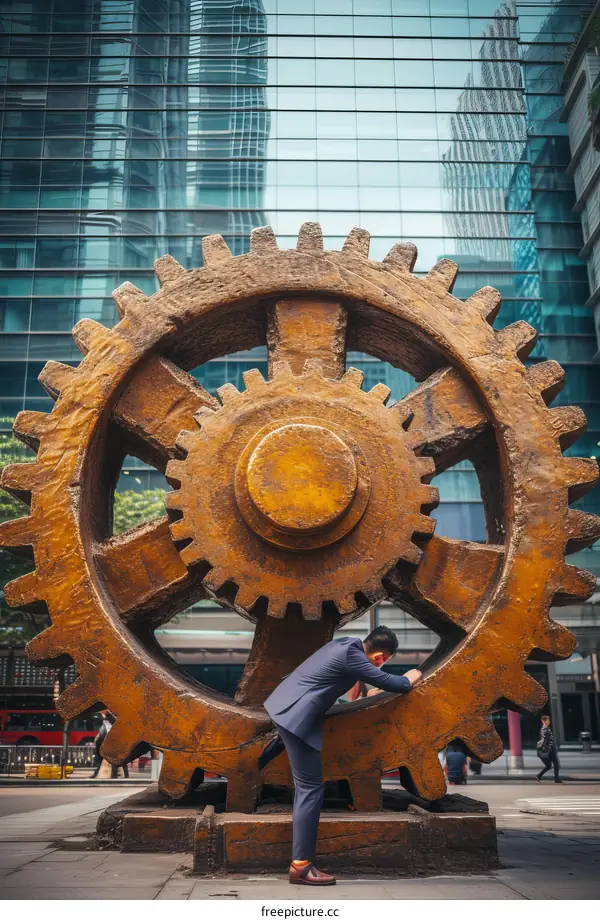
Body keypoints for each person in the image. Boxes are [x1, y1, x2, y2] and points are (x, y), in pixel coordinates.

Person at [261, 626, 422, 886]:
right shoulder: (354, 656)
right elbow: (397, 685)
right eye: (384, 661)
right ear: (380, 657)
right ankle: (301, 866)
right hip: (297, 718)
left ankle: (265, 754)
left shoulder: (345, 643)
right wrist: (413, 674)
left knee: (303, 780)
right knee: (311, 789)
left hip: (284, 705)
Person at [536, 714, 562, 783]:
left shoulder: (547, 728)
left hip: (551, 748)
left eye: (548, 720)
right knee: (556, 765)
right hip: (550, 749)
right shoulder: (544, 729)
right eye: (547, 720)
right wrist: (551, 745)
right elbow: (546, 740)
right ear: (543, 721)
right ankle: (556, 779)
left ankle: (539, 776)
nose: (549, 721)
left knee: (549, 766)